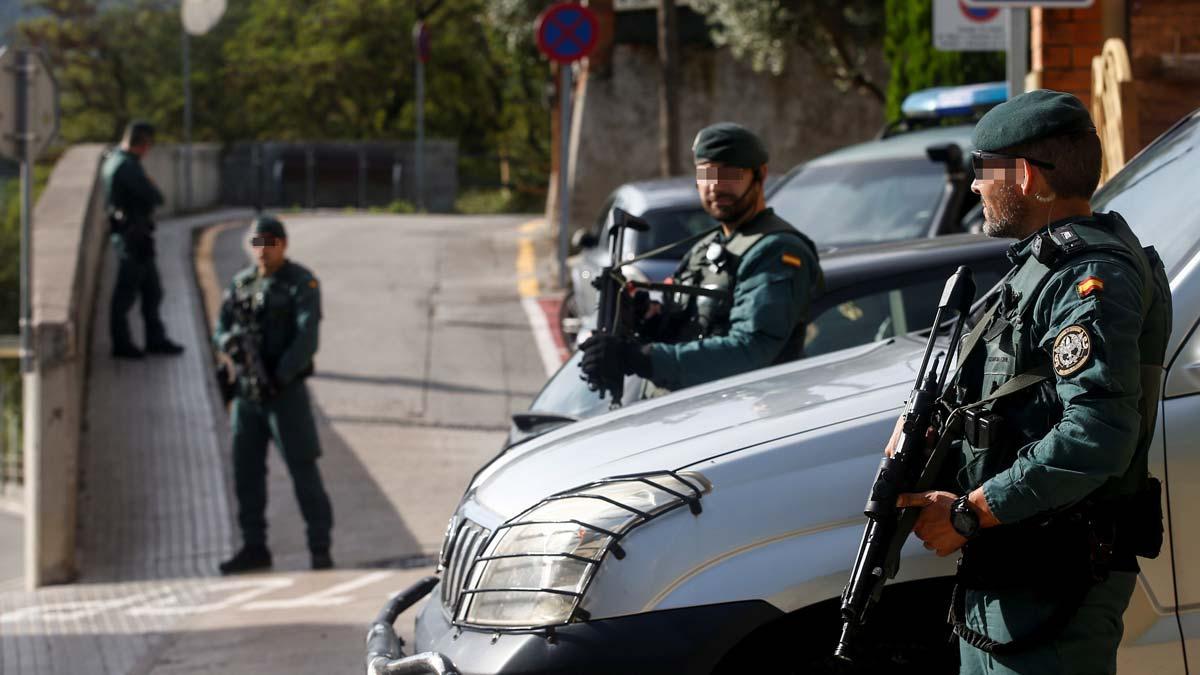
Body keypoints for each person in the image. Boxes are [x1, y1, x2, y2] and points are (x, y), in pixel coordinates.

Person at [895, 90, 1171, 674]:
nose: (973, 187)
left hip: (1053, 573)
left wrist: (970, 513)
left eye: (981, 171)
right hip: (1017, 563)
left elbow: (1096, 433)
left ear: (1023, 176)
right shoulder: (1041, 264)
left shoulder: (1091, 276)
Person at [579, 122, 823, 396]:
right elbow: (690, 330)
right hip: (688, 414)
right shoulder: (706, 248)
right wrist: (644, 320)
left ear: (760, 175)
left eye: (730, 174)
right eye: (707, 174)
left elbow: (751, 350)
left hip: (741, 418)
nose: (716, 186)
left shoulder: (776, 251)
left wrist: (642, 358)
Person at [214, 216, 334, 574]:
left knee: (303, 470)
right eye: (257, 243)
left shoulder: (300, 283)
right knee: (245, 473)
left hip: (285, 395)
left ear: (283, 244)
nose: (263, 251)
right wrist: (228, 343)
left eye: (270, 242)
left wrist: (279, 376)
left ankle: (320, 548)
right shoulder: (240, 284)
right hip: (249, 397)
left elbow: (307, 338)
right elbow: (220, 329)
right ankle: (254, 547)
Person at [102, 120, 184, 359]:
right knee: (126, 292)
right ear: (144, 143)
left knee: (152, 290)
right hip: (132, 236)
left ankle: (155, 339)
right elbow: (155, 196)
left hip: (134, 235)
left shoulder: (115, 160)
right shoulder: (127, 166)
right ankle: (122, 344)